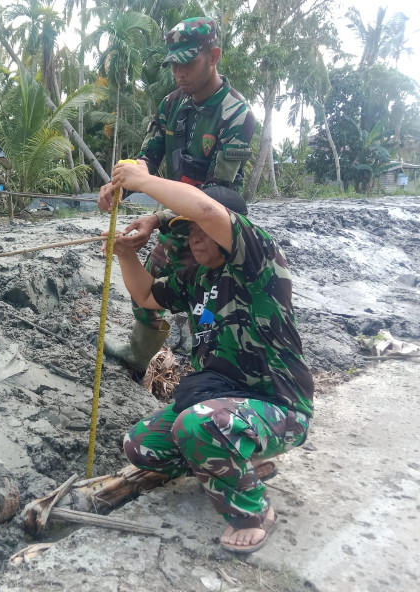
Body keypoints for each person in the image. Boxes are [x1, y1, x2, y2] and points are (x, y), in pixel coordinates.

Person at [106, 161, 313, 553]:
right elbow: (146, 296)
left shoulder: (257, 261)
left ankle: (253, 513)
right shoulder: (197, 279)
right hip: (222, 402)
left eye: (203, 231)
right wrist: (124, 253)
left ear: (228, 229)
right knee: (140, 445)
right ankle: (239, 463)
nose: (195, 239)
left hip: (280, 408)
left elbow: (205, 208)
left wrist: (144, 182)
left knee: (198, 426)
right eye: (191, 232)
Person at [99, 17, 256, 374]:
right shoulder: (171, 104)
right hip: (172, 225)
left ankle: (212, 373)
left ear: (213, 56)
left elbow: (215, 197)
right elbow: (148, 156)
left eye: (189, 62)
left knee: (209, 307)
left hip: (210, 234)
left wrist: (156, 218)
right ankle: (138, 355)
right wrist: (121, 182)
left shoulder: (236, 114)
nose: (179, 73)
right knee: (148, 289)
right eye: (174, 65)